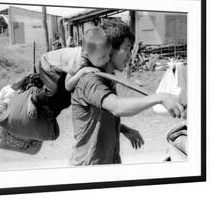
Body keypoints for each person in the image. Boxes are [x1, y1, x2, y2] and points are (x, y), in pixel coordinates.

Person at [69, 21, 186, 165]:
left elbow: (99, 116)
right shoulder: (90, 80)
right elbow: (117, 107)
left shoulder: (108, 78)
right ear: (110, 49)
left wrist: (123, 129)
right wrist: (160, 97)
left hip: (108, 162)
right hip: (88, 168)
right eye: (127, 49)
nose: (130, 56)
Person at [27, 26, 112, 119]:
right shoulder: (78, 62)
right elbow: (68, 85)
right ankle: (34, 98)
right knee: (55, 90)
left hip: (62, 67)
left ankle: (50, 110)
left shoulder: (93, 54)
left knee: (66, 98)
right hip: (47, 63)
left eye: (109, 54)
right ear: (87, 55)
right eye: (103, 57)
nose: (107, 59)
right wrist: (82, 72)